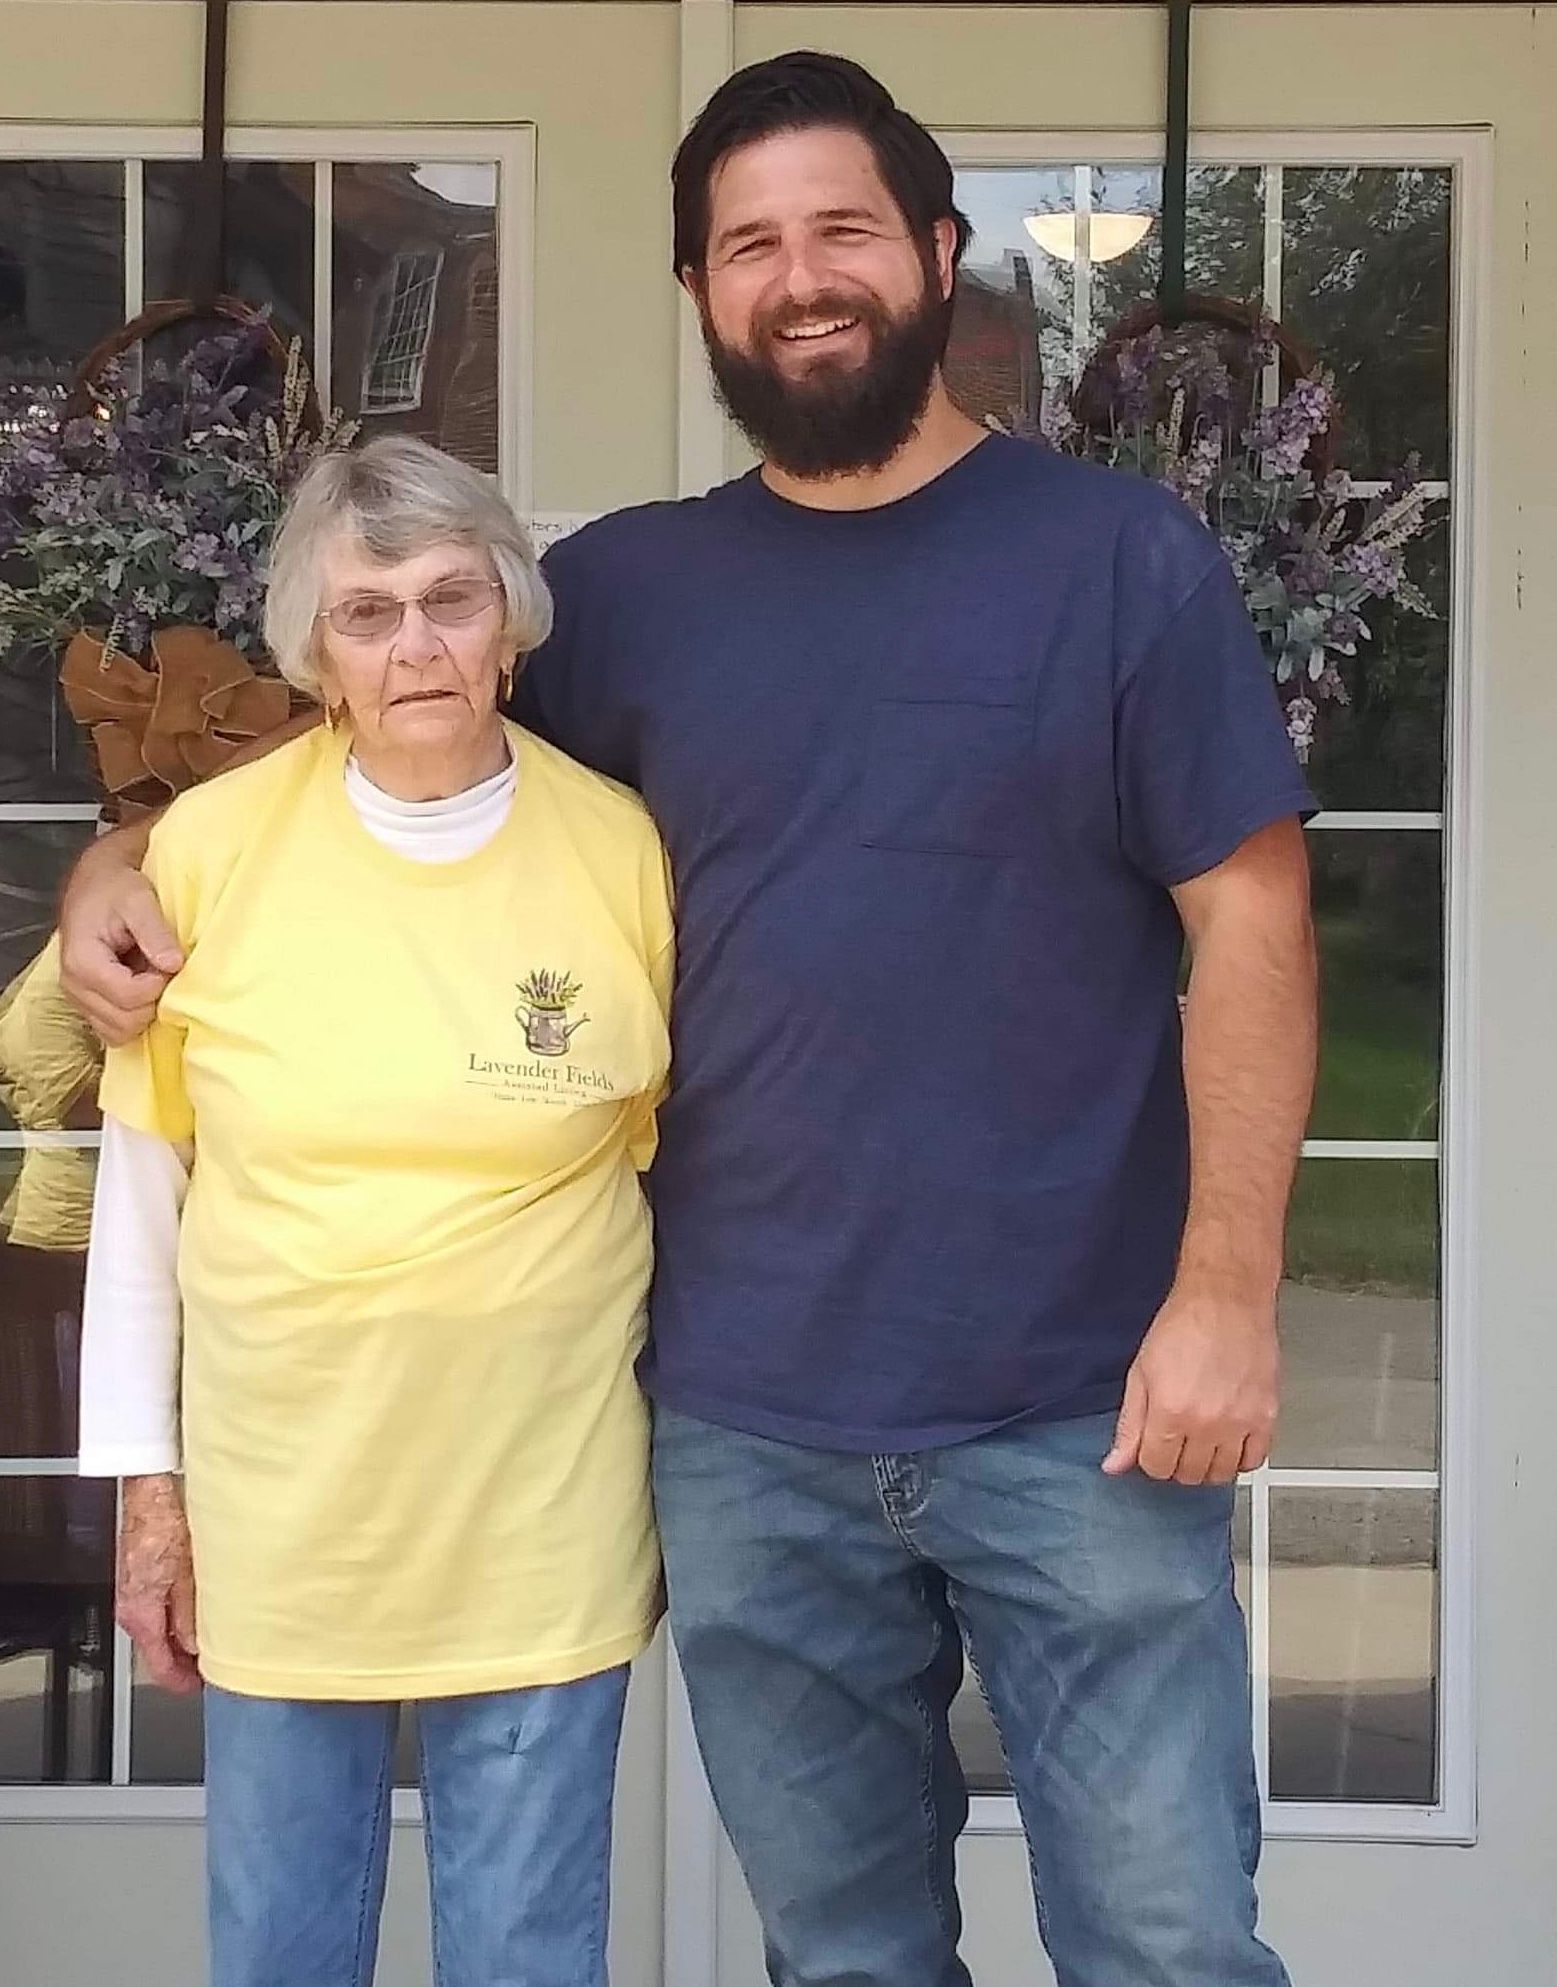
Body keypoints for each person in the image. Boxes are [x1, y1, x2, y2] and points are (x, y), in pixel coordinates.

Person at [63, 52, 1318, 1987]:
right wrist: (122, 849)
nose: (798, 277)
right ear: (699, 293)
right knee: (845, 1957)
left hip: (1085, 1404)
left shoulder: (1115, 565)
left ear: (935, 255)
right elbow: (376, 757)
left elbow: (1251, 924)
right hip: (742, 1425)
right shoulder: (624, 595)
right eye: (750, 245)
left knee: (1165, 1940)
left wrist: (1225, 1292)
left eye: (840, 231)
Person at [74, 435, 674, 1987]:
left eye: (450, 600)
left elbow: (670, 1166)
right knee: (280, 1947)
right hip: (287, 1506)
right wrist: (150, 1496)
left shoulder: (620, 850)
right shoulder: (204, 854)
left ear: (510, 623)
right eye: (366, 613)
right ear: (314, 654)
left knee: (529, 1951)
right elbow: (145, 1208)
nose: (415, 646)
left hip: (541, 1500)